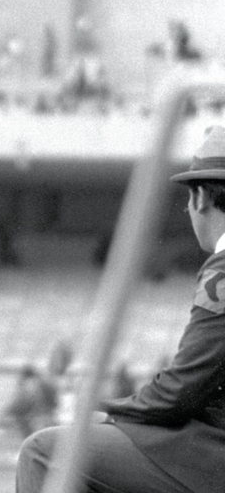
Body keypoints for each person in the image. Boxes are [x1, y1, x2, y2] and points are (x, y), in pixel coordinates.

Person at [16, 124, 225, 493]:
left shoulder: (222, 270)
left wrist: (112, 410)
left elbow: (179, 394)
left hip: (213, 457)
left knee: (45, 453)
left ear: (201, 198)